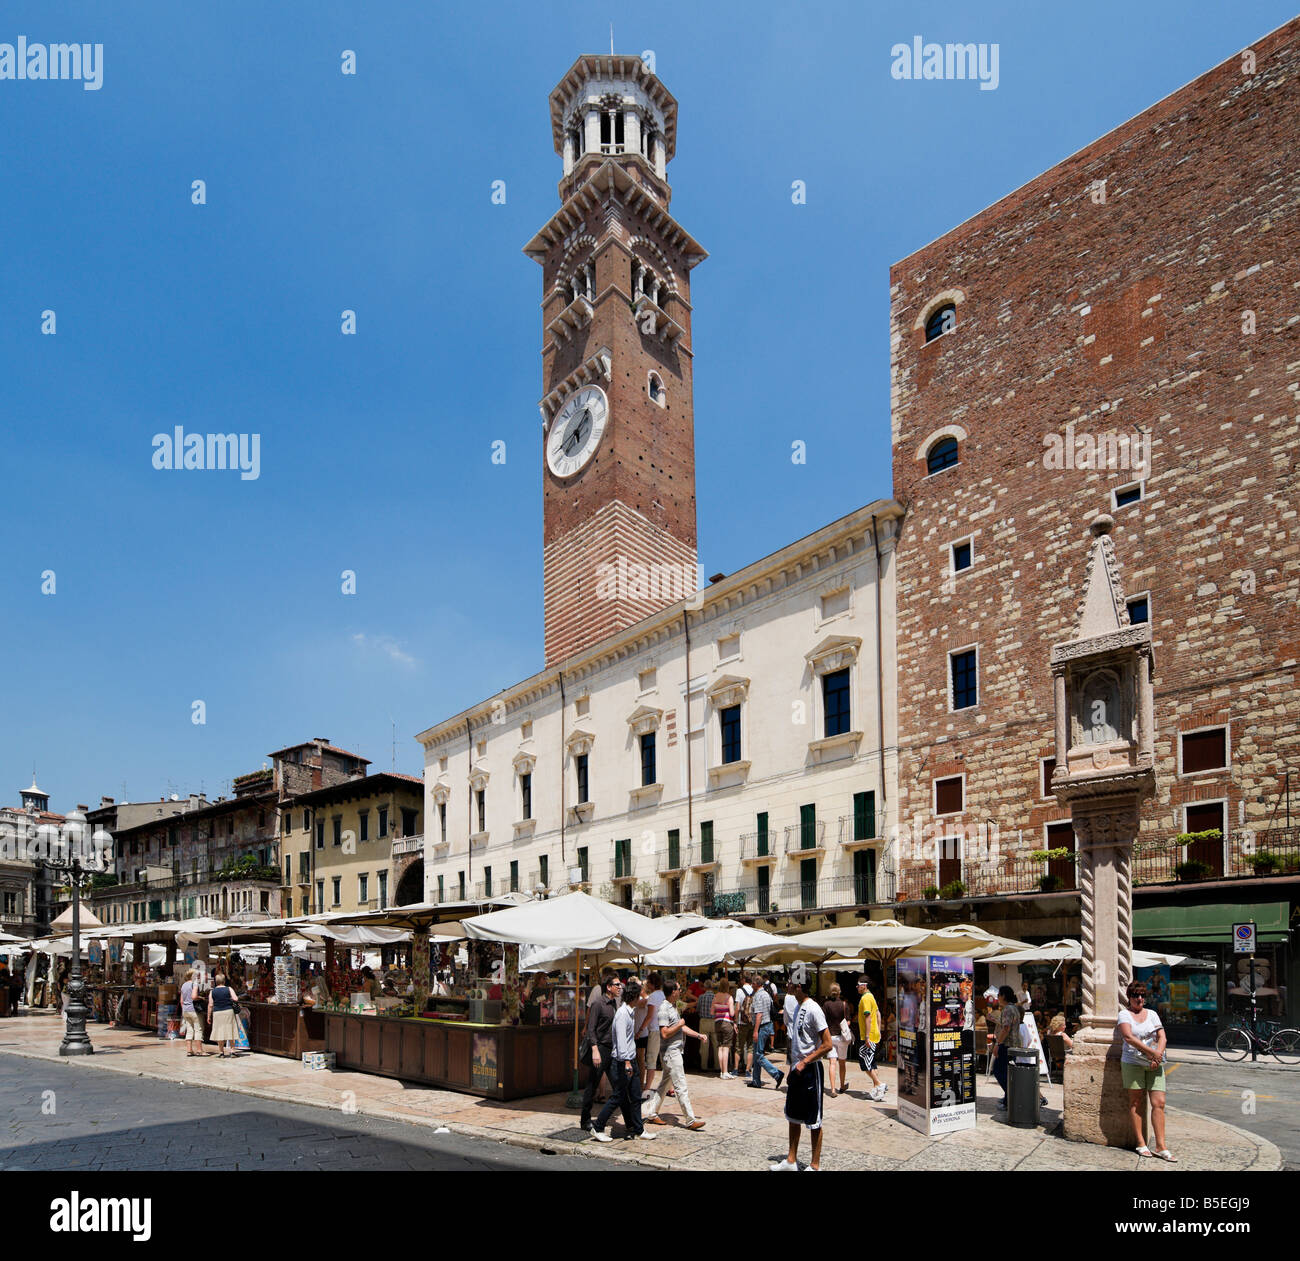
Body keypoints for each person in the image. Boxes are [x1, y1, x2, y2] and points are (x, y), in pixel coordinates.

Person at [771, 967, 832, 1171]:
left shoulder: (814, 1009)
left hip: (810, 1070)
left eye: (789, 982)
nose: (786, 985)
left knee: (814, 1120)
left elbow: (827, 1044)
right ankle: (791, 1161)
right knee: (793, 1116)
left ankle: (815, 1166)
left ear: (798, 986)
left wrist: (805, 1061)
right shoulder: (796, 1006)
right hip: (796, 1070)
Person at [590, 980, 655, 1143]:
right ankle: (598, 1127)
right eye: (640, 996)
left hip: (630, 1060)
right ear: (634, 997)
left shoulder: (630, 1012)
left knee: (635, 1096)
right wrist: (626, 1062)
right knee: (617, 1097)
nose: (642, 999)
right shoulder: (622, 1014)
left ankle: (638, 1129)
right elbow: (620, 1040)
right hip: (622, 1062)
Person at [1118, 980, 1173, 1161]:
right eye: (1135, 995)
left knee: (1159, 1102)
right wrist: (1152, 1053)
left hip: (1154, 1063)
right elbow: (1128, 1037)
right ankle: (1141, 1143)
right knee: (1136, 1102)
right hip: (1133, 1063)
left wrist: (1158, 1054)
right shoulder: (1124, 1014)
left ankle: (1161, 1145)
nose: (1139, 999)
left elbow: (1162, 1036)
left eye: (1142, 995)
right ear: (1129, 997)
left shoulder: (1152, 1014)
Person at [643, 980, 706, 1129]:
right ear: (673, 992)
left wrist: (698, 1035)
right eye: (679, 989)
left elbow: (681, 1028)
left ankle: (652, 1113)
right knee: (681, 1085)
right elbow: (664, 1033)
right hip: (671, 1053)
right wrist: (679, 1024)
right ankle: (690, 1120)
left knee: (664, 1085)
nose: (681, 991)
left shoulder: (673, 1007)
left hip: (674, 1051)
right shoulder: (664, 1008)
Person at [581, 974, 621, 1138]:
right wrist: (595, 1050)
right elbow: (591, 1029)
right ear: (608, 987)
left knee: (619, 1087)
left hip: (612, 1050)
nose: (620, 987)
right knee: (592, 1085)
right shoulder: (598, 1004)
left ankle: (632, 1122)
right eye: (617, 984)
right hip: (600, 1049)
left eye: (620, 985)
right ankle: (585, 1120)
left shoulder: (615, 1004)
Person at [747, 971, 783, 1090]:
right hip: (768, 1025)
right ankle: (756, 1080)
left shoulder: (758, 995)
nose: (751, 985)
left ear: (757, 984)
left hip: (762, 1027)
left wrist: (755, 1031)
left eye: (752, 983)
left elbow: (759, 1015)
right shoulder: (767, 994)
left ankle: (777, 1074)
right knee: (758, 1053)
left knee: (758, 1055)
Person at [855, 975, 887, 1101]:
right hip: (873, 1035)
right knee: (871, 1062)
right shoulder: (871, 996)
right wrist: (878, 1031)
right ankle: (876, 1089)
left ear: (864, 985)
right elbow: (878, 1014)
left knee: (864, 1063)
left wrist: (868, 1036)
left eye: (858, 985)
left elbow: (868, 1017)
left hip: (867, 1036)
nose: (857, 987)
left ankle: (879, 1084)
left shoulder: (865, 998)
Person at [991, 985, 1022, 1111]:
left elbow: (1006, 1028)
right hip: (1013, 1044)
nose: (997, 998)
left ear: (1003, 995)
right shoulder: (1014, 1008)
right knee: (1007, 1072)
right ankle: (1007, 1098)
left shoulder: (1008, 1009)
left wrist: (998, 1044)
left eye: (998, 995)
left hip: (1007, 1044)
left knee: (998, 1070)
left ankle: (1011, 1097)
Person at [639, 971, 666, 1100]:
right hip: (664, 1030)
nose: (646, 984)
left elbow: (649, 1016)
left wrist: (640, 1029)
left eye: (648, 982)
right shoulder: (663, 995)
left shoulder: (653, 997)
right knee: (664, 1059)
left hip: (654, 1031)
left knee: (651, 1060)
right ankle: (669, 1088)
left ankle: (647, 1088)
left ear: (651, 983)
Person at [822, 983, 851, 1097]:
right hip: (842, 1037)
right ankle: (842, 1085)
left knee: (832, 1063)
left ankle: (833, 1089)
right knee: (842, 1062)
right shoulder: (844, 1005)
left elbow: (822, 1020)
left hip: (830, 1036)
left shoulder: (826, 1005)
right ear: (839, 992)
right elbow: (848, 1021)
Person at [1019, 1000, 1050, 1107]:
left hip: (1021, 1058)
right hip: (1027, 1057)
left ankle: (1040, 1098)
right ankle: (1039, 1098)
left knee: (1028, 1081)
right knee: (1029, 1081)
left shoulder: (1019, 1028)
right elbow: (1030, 1040)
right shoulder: (1025, 1026)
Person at [208, 972, 240, 1059]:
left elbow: (210, 1004)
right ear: (224, 981)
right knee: (230, 1030)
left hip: (217, 1013)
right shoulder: (229, 989)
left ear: (216, 981)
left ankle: (221, 1052)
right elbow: (236, 998)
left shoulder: (212, 991)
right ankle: (232, 1051)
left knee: (219, 1031)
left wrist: (208, 1016)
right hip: (228, 1011)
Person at [712, 978, 737, 1079]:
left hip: (717, 1023)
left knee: (720, 1047)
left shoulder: (715, 997)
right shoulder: (729, 997)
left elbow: (711, 1012)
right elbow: (731, 1013)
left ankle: (721, 1072)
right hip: (727, 1023)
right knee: (726, 1047)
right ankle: (725, 1071)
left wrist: (719, 1008)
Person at [179, 969, 205, 1056]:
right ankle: (199, 1050)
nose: (199, 978)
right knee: (198, 1029)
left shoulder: (183, 985)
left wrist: (184, 1009)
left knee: (189, 1030)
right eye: (198, 976)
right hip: (194, 1010)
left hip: (185, 1010)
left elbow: (181, 1001)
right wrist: (201, 998)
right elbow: (194, 997)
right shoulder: (195, 984)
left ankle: (189, 1050)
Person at [734, 972, 754, 1077]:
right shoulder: (754, 990)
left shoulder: (739, 991)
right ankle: (747, 1070)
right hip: (752, 1022)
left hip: (742, 1022)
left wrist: (735, 1021)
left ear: (743, 980)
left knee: (739, 1046)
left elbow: (737, 1008)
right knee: (750, 1047)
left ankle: (736, 1069)